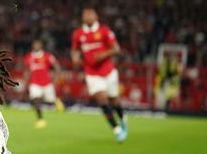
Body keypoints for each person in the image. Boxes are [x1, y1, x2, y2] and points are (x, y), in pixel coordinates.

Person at [71, 8, 128, 142]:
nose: (88, 17)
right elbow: (74, 50)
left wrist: (103, 54)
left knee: (114, 100)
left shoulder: (104, 31)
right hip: (92, 73)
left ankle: (123, 119)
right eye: (85, 15)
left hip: (108, 71)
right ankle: (117, 129)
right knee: (102, 99)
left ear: (96, 16)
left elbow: (116, 48)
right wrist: (75, 58)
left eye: (90, 14)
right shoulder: (78, 34)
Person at [23, 39, 64, 128]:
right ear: (33, 46)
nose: (36, 46)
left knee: (50, 101)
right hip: (35, 83)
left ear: (41, 46)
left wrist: (57, 77)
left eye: (38, 45)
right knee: (36, 99)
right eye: (35, 45)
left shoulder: (47, 56)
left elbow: (56, 66)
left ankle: (56, 101)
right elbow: (27, 70)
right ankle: (40, 119)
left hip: (47, 83)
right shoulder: (29, 57)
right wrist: (26, 81)